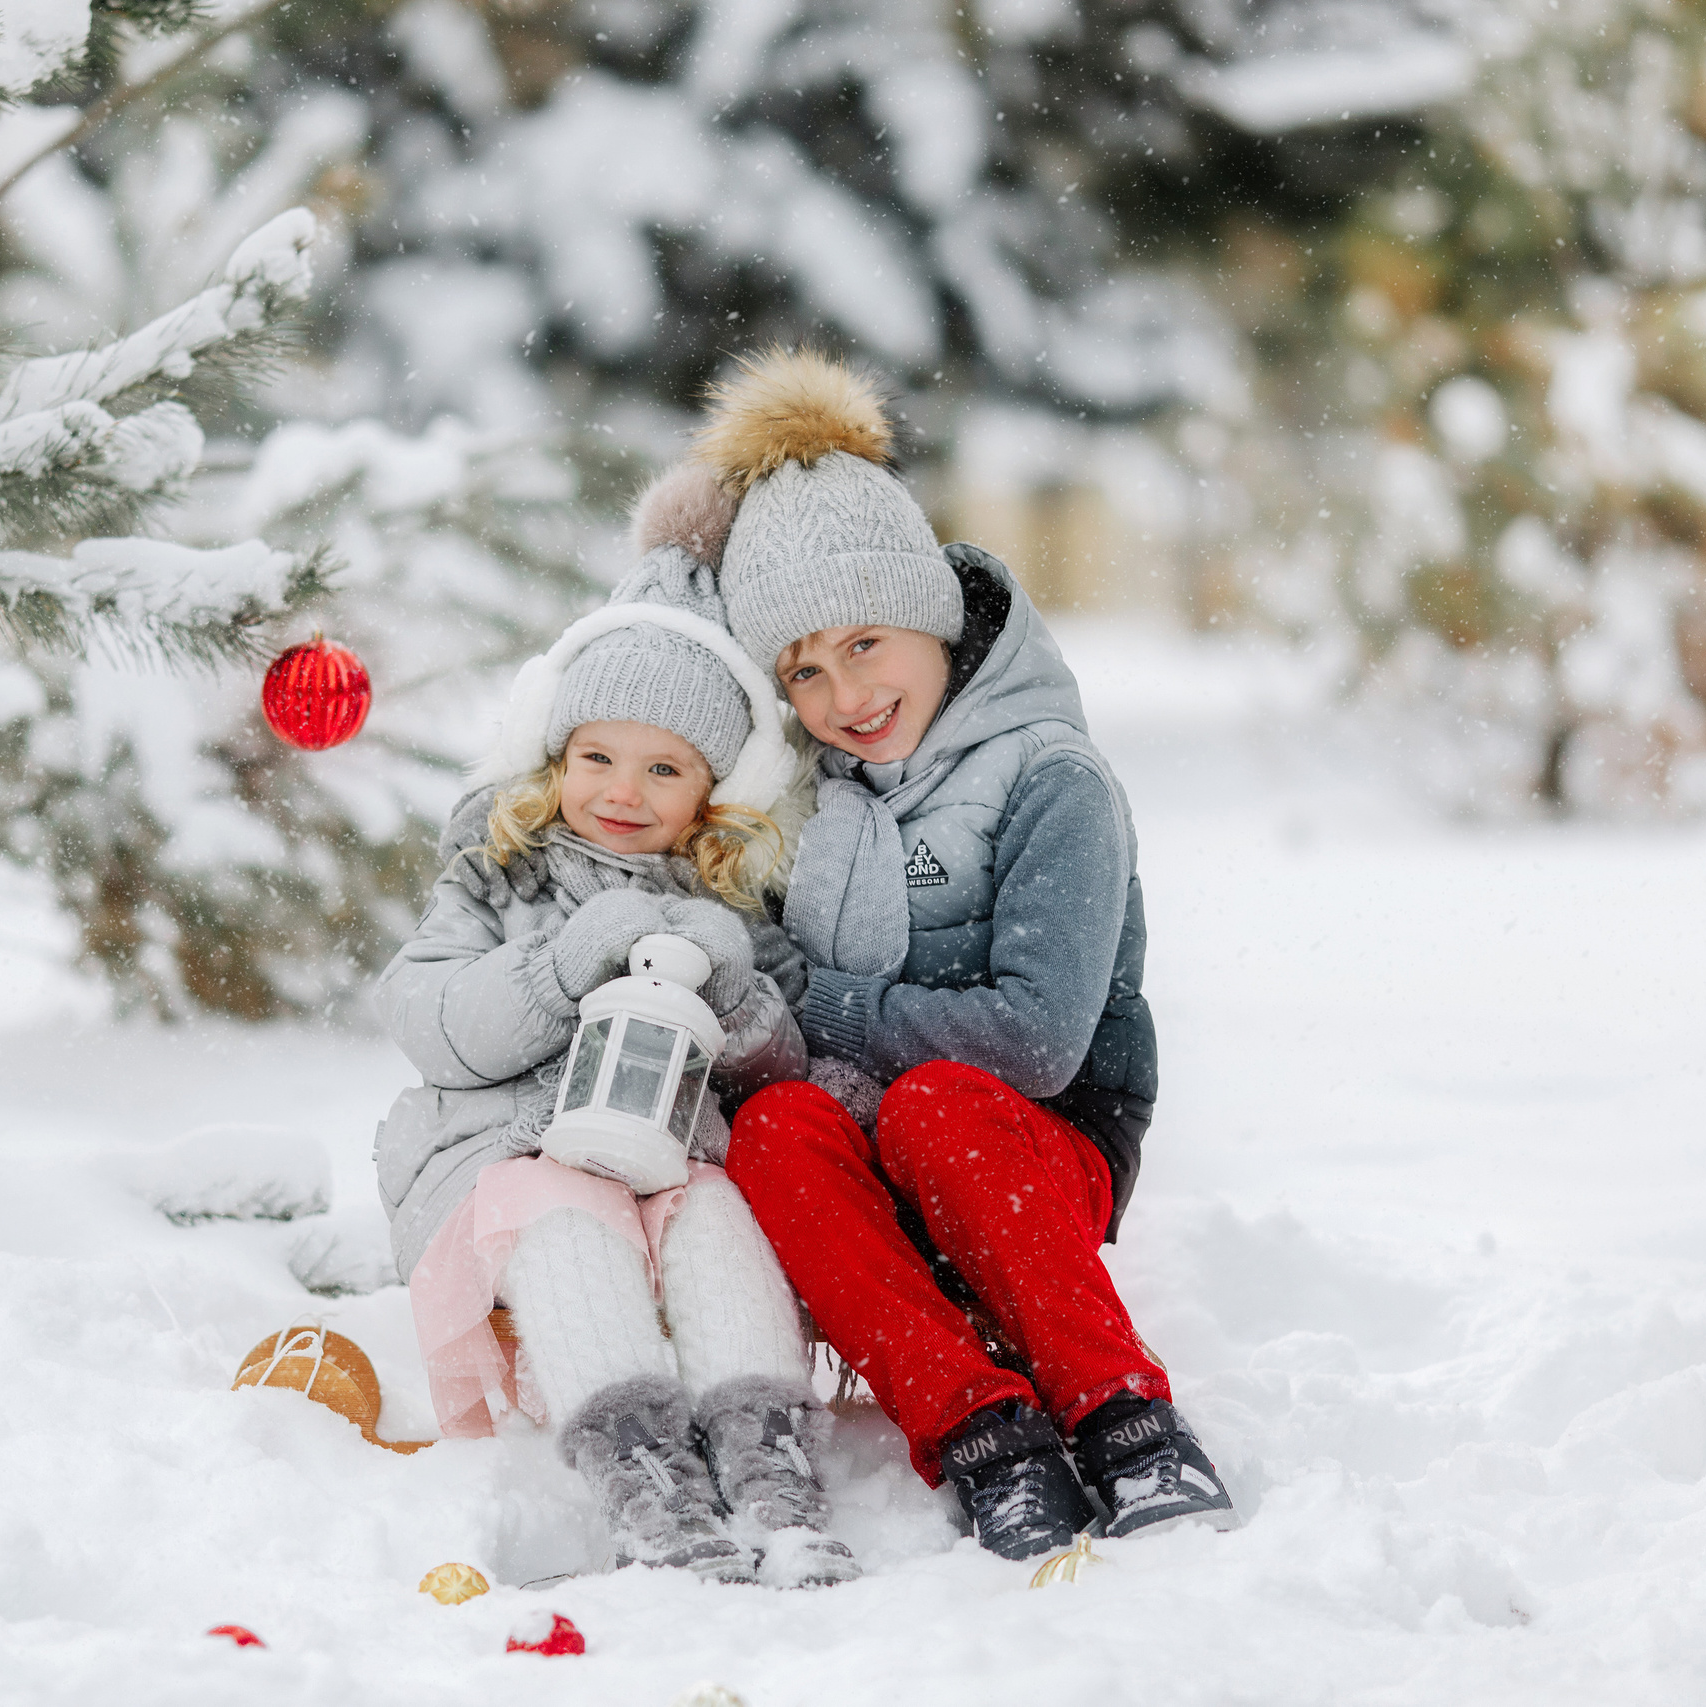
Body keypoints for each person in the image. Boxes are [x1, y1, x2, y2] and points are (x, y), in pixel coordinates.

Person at [667, 348, 1239, 1560]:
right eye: (802, 669)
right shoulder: (806, 796)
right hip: (865, 1139)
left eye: (865, 642)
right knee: (772, 1130)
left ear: (928, 613)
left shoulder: (1052, 778)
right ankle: (984, 1436)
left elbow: (1034, 1042)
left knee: (939, 1105)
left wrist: (826, 1007)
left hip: (1035, 1146)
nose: (844, 694)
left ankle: (1126, 1419)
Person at [370, 509, 858, 1588]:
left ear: (715, 792)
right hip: (507, 1156)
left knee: (720, 1222)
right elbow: (432, 1021)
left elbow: (785, 1064)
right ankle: (646, 1482)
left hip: (671, 1160)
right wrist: (557, 968)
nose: (623, 792)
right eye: (597, 757)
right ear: (554, 757)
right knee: (566, 1218)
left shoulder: (726, 902)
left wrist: (737, 1002)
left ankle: (769, 1471)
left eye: (664, 769)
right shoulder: (500, 874)